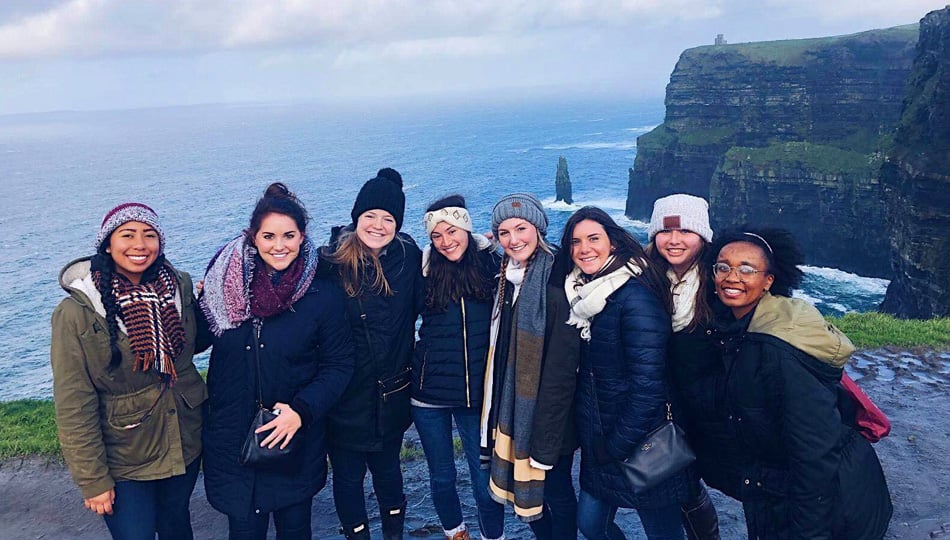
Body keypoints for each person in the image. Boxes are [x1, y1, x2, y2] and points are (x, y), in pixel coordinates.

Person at [710, 227, 893, 539]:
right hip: (782, 491)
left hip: (831, 504)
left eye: (747, 269)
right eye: (723, 266)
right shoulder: (743, 327)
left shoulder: (778, 349)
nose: (731, 277)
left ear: (769, 281)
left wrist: (810, 534)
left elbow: (814, 453)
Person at [199, 183, 355, 540]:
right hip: (232, 437)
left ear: (302, 237)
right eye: (268, 236)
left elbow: (339, 364)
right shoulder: (222, 286)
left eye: (289, 235)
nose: (279, 245)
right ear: (253, 237)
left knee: (295, 530)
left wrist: (301, 411)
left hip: (292, 439)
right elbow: (191, 340)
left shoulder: (321, 293)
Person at [51, 202, 207, 539]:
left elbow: (192, 345)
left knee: (176, 527)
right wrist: (93, 480)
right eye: (128, 235)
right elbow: (73, 402)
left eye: (149, 235)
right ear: (107, 243)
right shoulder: (78, 312)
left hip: (183, 437)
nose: (140, 244)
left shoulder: (178, 287)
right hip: (125, 453)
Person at [556, 206, 690, 540]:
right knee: (589, 525)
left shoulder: (634, 297)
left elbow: (649, 386)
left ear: (612, 243)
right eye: (575, 242)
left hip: (641, 443)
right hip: (601, 440)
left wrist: (616, 445)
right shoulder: (583, 293)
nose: (584, 248)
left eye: (593, 239)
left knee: (663, 533)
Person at [321, 168, 423, 540]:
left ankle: (394, 534)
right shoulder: (329, 263)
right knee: (347, 477)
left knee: (388, 471)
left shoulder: (410, 257)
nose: (378, 225)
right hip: (345, 395)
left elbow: (441, 286)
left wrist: (482, 249)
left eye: (388, 218)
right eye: (370, 216)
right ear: (356, 217)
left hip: (392, 393)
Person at [481, 193, 579, 540]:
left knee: (556, 490)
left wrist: (548, 422)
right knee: (539, 494)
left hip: (552, 409)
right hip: (518, 399)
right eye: (504, 232)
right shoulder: (506, 276)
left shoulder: (558, 278)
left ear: (538, 228)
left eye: (521, 228)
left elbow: (564, 359)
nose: (513, 239)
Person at [412, 195, 505, 540]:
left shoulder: (492, 263)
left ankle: (493, 536)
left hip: (477, 393)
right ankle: (455, 532)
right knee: (441, 475)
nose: (446, 241)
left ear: (467, 228)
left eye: (452, 231)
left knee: (484, 481)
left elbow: (536, 259)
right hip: (429, 394)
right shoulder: (421, 270)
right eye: (437, 235)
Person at [645, 194, 724, 539]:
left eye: (685, 231)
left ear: (703, 236)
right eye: (665, 232)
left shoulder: (720, 282)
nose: (674, 240)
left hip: (709, 403)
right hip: (666, 406)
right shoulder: (645, 279)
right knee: (683, 484)